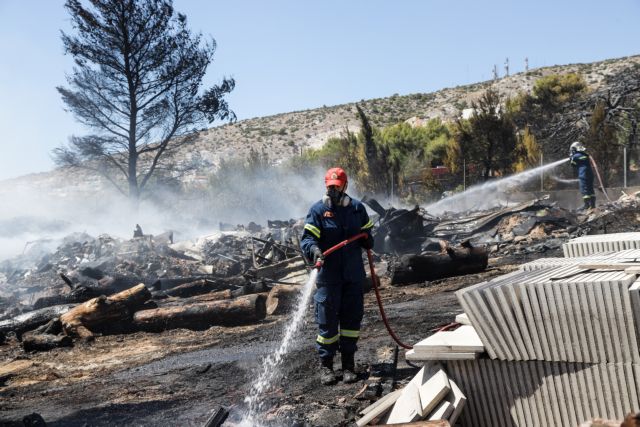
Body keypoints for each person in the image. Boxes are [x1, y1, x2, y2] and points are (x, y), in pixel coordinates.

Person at [300, 167, 374, 385]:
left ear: (345, 186)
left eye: (337, 186)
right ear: (326, 186)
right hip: (328, 278)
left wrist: (368, 240)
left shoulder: (357, 209)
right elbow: (307, 239)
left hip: (353, 276)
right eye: (330, 187)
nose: (334, 190)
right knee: (327, 324)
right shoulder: (318, 210)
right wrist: (314, 250)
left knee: (351, 322)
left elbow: (368, 234)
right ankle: (327, 367)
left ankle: (349, 366)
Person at [569, 141, 596, 210]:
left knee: (584, 188)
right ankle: (592, 205)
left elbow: (573, 164)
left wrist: (571, 157)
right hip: (590, 174)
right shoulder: (585, 155)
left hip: (583, 174)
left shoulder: (575, 156)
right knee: (590, 188)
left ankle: (586, 205)